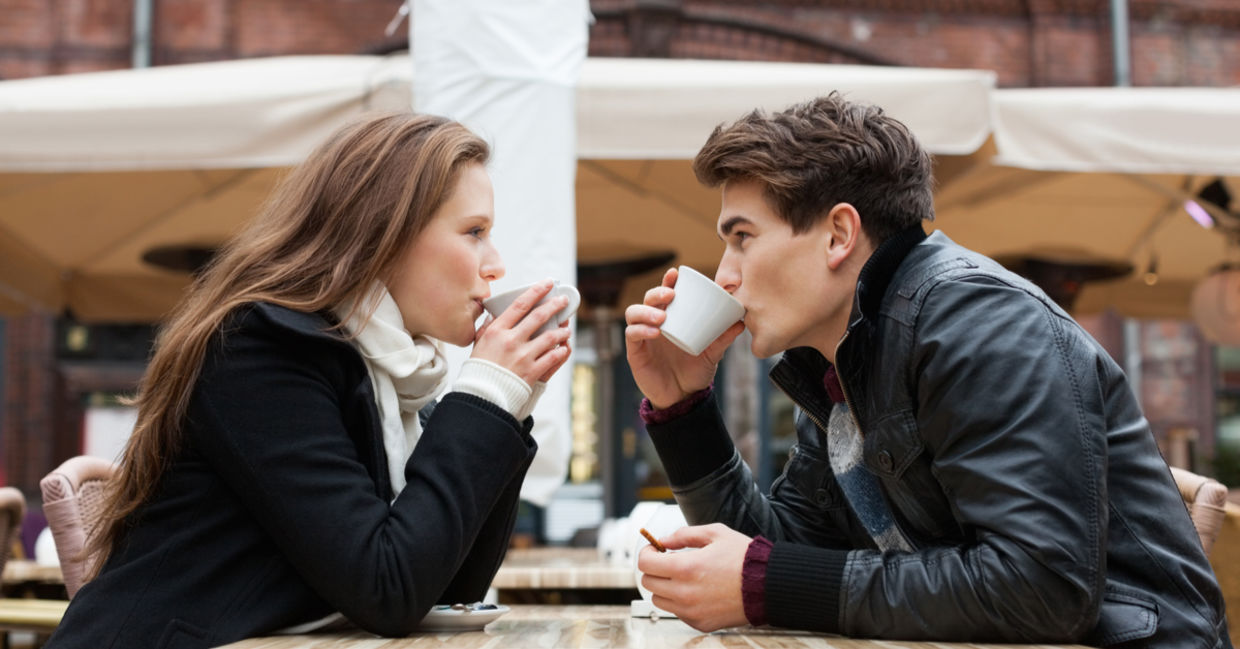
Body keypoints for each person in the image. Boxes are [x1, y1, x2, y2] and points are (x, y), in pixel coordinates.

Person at [626, 93, 1230, 649]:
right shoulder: (841, 362)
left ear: (839, 234)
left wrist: (766, 580)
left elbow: (1041, 590)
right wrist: (684, 411)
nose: (725, 274)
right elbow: (781, 554)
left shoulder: (982, 325)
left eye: (743, 239)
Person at [47, 113, 574, 648]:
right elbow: (387, 588)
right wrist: (484, 396)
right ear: (386, 233)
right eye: (475, 233)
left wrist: (505, 407)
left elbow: (444, 587)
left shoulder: (381, 374)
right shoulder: (260, 347)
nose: (497, 265)